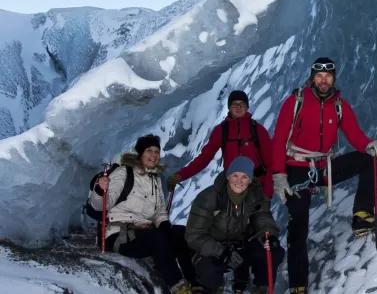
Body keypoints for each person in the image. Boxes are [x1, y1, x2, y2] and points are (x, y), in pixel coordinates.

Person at [271, 57, 377, 293]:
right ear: (313, 78)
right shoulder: (296, 102)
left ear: (333, 78)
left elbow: (354, 134)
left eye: (328, 76)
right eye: (319, 76)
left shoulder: (339, 105)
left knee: (370, 159)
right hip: (297, 168)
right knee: (299, 225)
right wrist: (279, 175)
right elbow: (279, 140)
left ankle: (361, 216)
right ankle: (298, 286)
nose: (323, 80)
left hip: (324, 167)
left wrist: (369, 145)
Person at [90, 134, 196, 294]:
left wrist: (165, 225)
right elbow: (101, 205)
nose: (154, 155)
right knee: (156, 238)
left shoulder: (155, 178)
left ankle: (194, 282)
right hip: (120, 234)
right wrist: (100, 190)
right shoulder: (123, 173)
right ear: (140, 154)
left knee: (180, 233)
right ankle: (179, 287)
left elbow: (159, 210)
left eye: (156, 151)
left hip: (143, 232)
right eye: (149, 150)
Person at [185, 156, 284, 294]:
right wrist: (222, 252)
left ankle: (261, 289)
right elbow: (194, 235)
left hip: (239, 245)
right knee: (210, 270)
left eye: (244, 177)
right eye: (235, 175)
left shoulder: (254, 195)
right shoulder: (209, 197)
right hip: (211, 248)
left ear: (250, 180)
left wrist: (269, 236)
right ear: (228, 176)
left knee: (273, 252)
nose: (239, 181)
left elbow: (262, 218)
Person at [167, 90, 273, 198]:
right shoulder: (222, 130)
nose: (238, 107)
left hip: (256, 183)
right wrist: (180, 175)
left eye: (242, 104)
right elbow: (204, 158)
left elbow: (270, 162)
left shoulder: (257, 130)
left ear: (246, 107)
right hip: (232, 185)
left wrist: (267, 190)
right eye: (235, 104)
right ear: (229, 107)